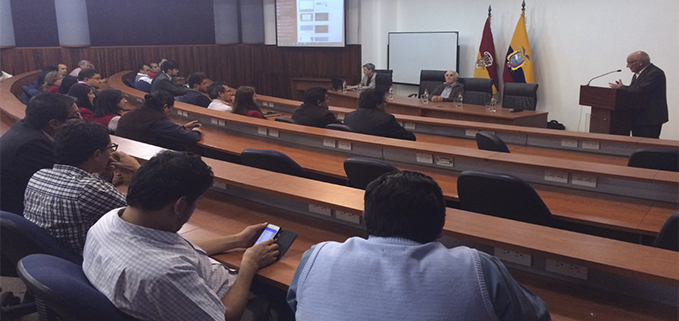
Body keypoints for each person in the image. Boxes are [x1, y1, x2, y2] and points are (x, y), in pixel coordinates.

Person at [287, 171, 551, 321]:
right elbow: (537, 317)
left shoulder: (316, 256)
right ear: (441, 226)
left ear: (366, 218)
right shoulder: (479, 268)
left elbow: (294, 303)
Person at [83, 150, 279, 321]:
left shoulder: (108, 222)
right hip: (236, 302)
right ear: (180, 205)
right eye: (196, 203)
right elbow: (225, 317)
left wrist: (237, 240)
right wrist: (249, 265)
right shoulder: (164, 274)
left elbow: (171, 250)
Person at [24, 121, 140, 255]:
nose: (111, 153)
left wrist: (103, 175)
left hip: (49, 256)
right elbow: (142, 210)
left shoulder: (39, 175)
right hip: (83, 260)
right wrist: (136, 169)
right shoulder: (87, 189)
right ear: (97, 154)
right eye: (110, 148)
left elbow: (86, 191)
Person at [0, 94, 81, 215]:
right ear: (54, 123)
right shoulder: (33, 145)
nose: (81, 119)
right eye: (76, 115)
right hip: (20, 214)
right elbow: (64, 187)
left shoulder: (26, 127)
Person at [609, 51, 668, 138]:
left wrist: (621, 87)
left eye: (629, 62)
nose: (627, 66)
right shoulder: (637, 74)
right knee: (637, 144)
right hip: (638, 116)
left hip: (650, 118)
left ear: (640, 63)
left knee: (648, 145)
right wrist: (623, 88)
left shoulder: (655, 73)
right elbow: (635, 93)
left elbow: (640, 90)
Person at [116, 90, 202, 150]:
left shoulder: (134, 112)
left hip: (129, 151)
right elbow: (190, 138)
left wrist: (183, 127)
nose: (170, 113)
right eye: (170, 109)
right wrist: (196, 131)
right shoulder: (157, 120)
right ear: (165, 107)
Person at [344, 88, 416, 141]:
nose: (386, 105)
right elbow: (410, 137)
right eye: (384, 102)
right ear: (378, 105)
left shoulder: (349, 117)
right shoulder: (386, 119)